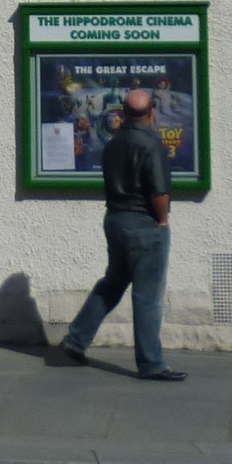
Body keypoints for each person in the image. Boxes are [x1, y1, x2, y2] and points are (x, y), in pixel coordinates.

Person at [54, 86, 185, 381]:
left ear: (124, 113)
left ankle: (75, 340)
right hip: (144, 225)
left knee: (113, 282)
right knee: (148, 295)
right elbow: (159, 191)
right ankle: (151, 363)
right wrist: (162, 220)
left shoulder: (113, 143)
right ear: (151, 113)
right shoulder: (152, 144)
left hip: (115, 219)